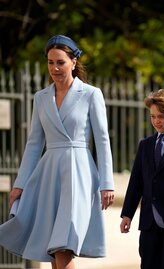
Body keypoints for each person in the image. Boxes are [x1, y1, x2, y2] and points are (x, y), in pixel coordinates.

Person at [0, 35, 115, 269]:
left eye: (60, 62)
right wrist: (20, 184)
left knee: (64, 244)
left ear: (74, 62)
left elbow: (103, 142)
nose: (55, 68)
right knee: (55, 249)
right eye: (50, 62)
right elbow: (34, 144)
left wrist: (107, 183)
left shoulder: (92, 94)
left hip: (78, 174)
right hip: (49, 174)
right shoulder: (40, 98)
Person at [120, 89, 164, 269]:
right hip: (148, 223)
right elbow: (136, 182)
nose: (156, 121)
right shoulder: (145, 145)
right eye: (153, 116)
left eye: (162, 116)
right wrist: (127, 214)